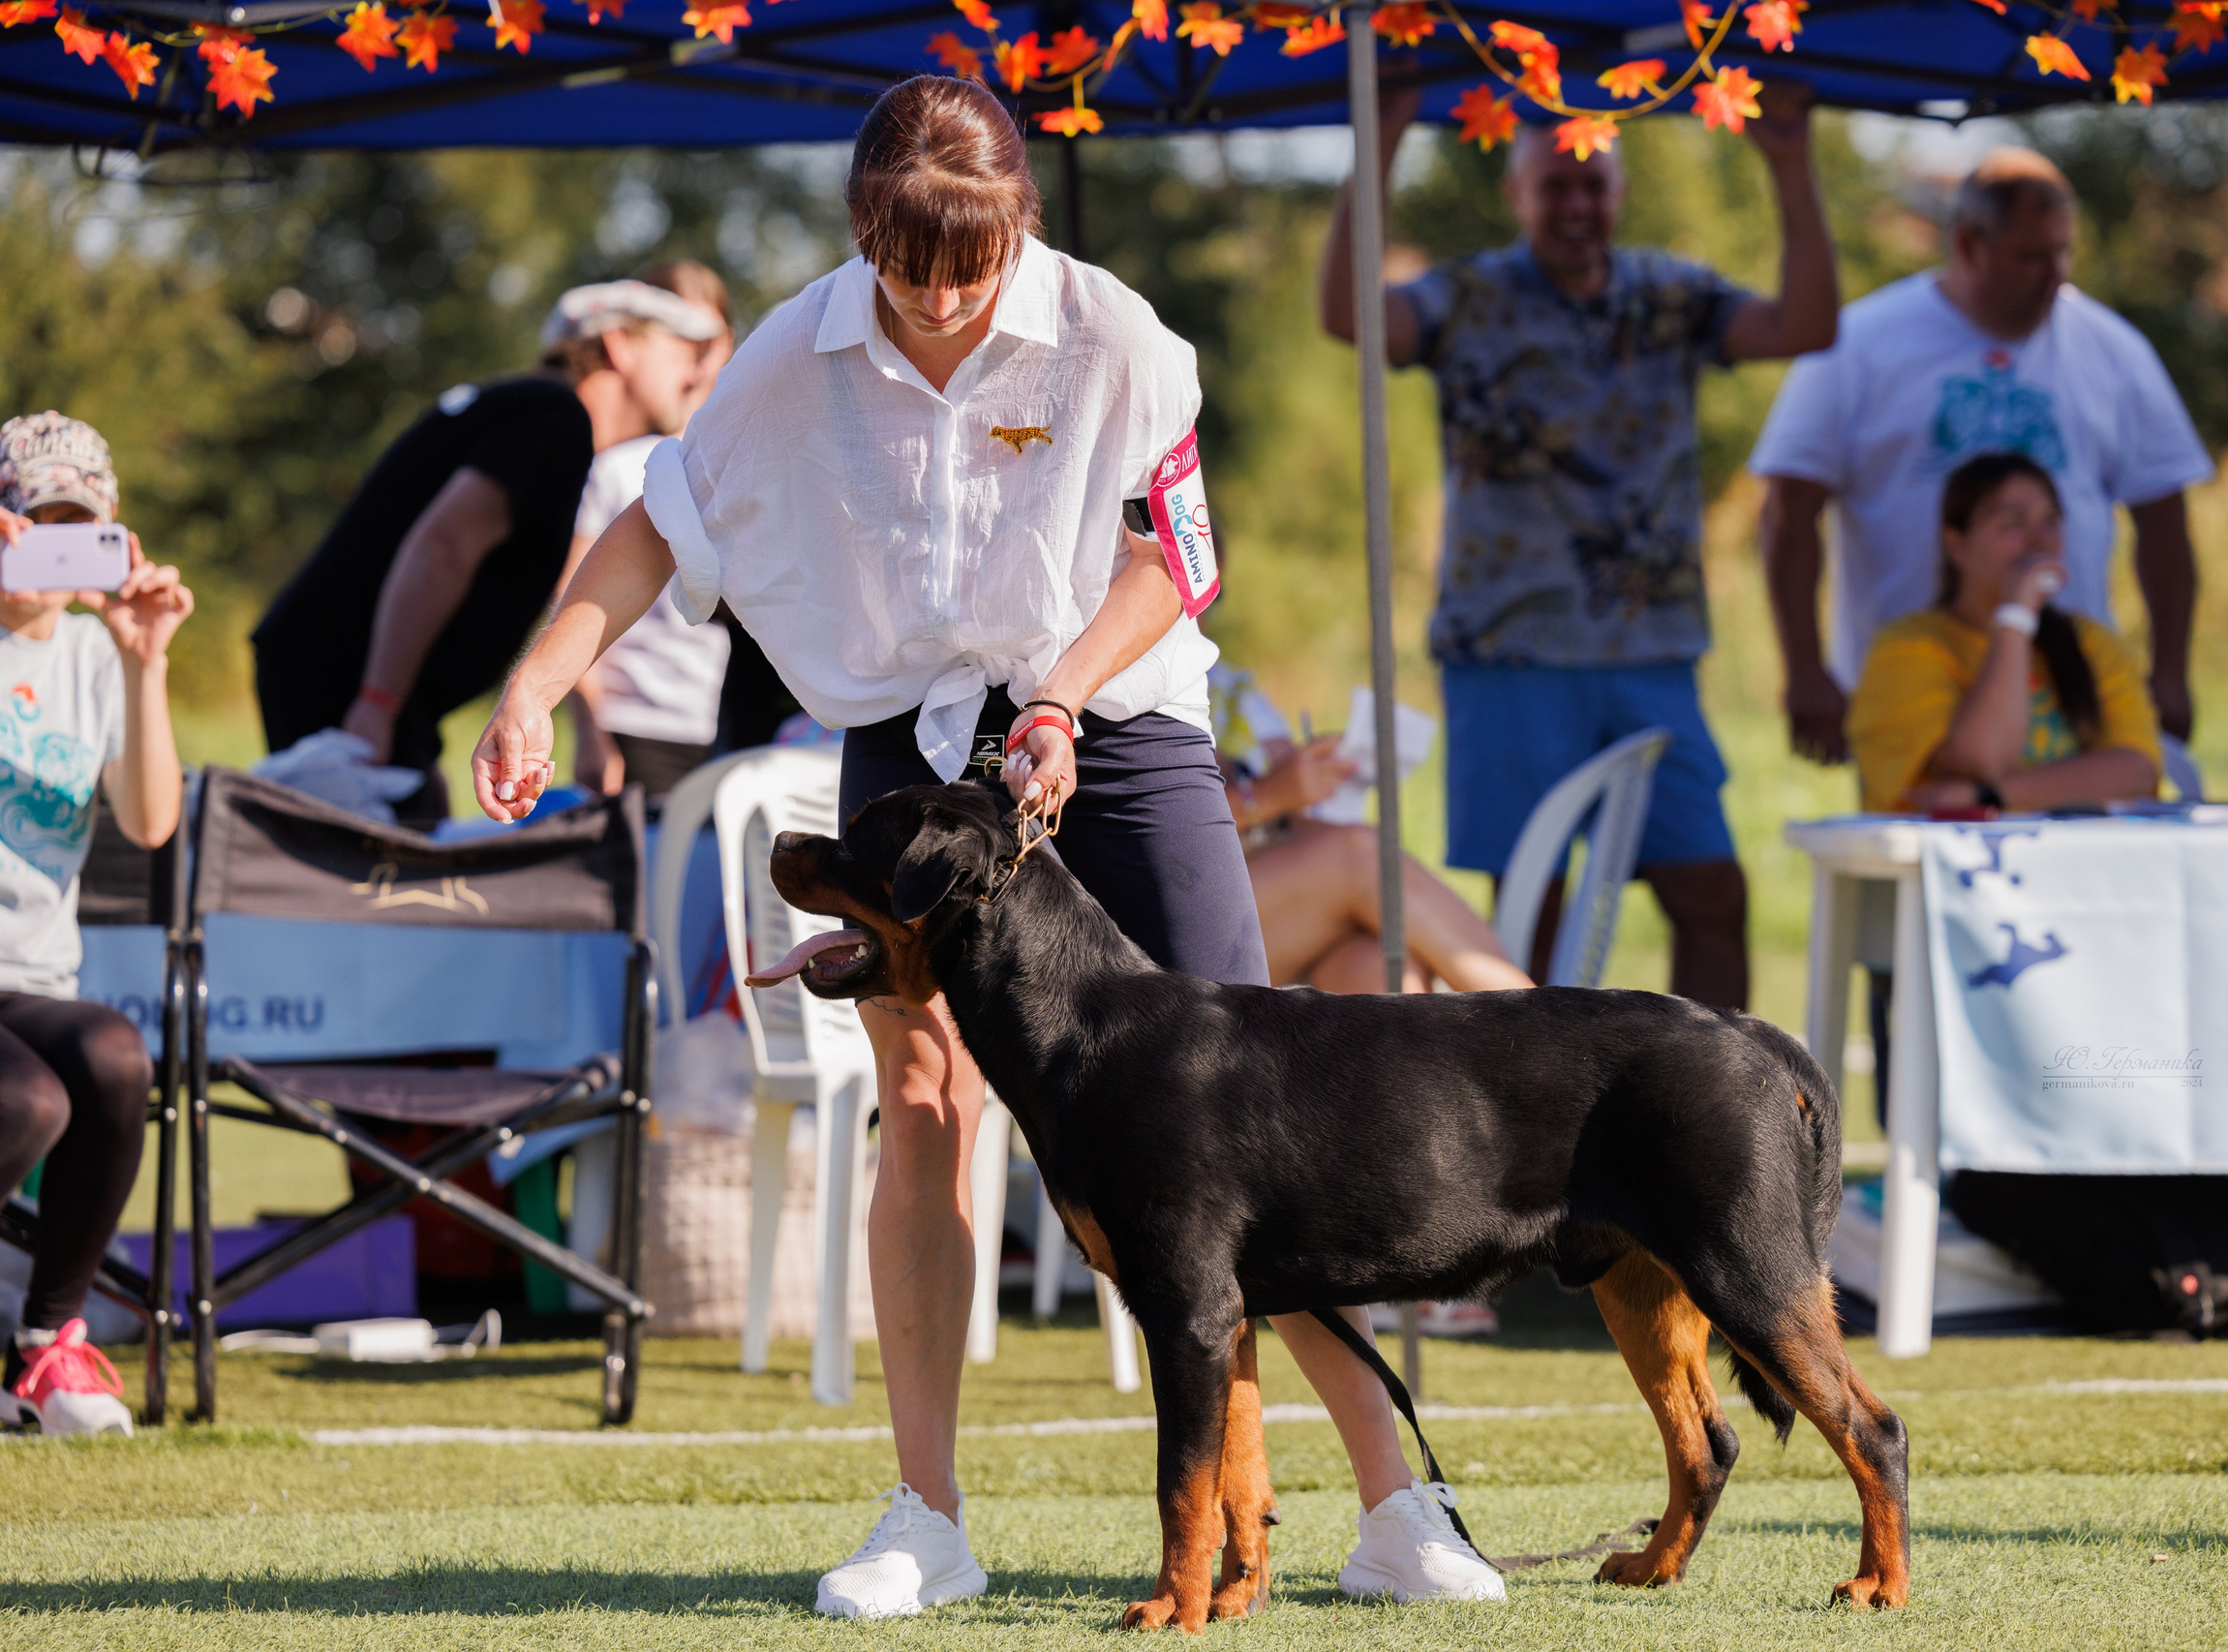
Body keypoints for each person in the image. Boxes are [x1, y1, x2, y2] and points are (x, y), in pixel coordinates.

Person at [471, 76, 1503, 1616]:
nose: (947, 300)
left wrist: (1067, 698)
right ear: (862, 238)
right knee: (923, 1088)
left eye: (977, 266)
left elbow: (1176, 562)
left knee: (1254, 1101)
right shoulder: (789, 355)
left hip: (1120, 715)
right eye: (911, 270)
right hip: (909, 730)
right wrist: (531, 689)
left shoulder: (1118, 333)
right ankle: (927, 1517)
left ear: (1019, 225)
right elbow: (656, 531)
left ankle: (1391, 1504)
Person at [1320, 86, 1839, 1011]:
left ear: (1620, 190)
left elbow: (1807, 327)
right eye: (1553, 184)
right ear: (1517, 194)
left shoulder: (1669, 295)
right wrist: (1380, 143)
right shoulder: (1471, 295)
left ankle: (1715, 1114)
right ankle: (1531, 1132)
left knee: (1712, 893)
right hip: (1511, 652)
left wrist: (1792, 165)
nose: (1575, 204)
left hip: (1651, 654)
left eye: (1591, 185)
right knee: (1530, 913)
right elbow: (1353, 320)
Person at [1753, 147, 2213, 772]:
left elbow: (2164, 518)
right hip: (1917, 678)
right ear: (1968, 244)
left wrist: (2170, 671)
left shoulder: (2113, 350)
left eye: (2063, 252)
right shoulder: (1858, 343)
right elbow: (1789, 511)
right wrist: (1805, 670)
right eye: (2030, 256)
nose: (2053, 273)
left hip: (2066, 677)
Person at [251, 279, 721, 822]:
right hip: (349, 692)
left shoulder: (524, 409)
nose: (694, 375)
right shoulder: (554, 416)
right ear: (620, 346)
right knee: (368, 892)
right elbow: (444, 545)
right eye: (683, 353)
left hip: (347, 681)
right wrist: (379, 706)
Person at [0, 413, 195, 1436]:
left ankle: (45, 1347)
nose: (50, 547)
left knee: (115, 1056)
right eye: (36, 519)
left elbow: (151, 820)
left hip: (30, 976)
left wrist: (145, 661)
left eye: (78, 526)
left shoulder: (93, 651)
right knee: (24, 1100)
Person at [1847, 452, 2161, 815]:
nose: (2039, 540)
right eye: (2013, 524)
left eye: (2050, 521)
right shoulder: (1906, 650)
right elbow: (1981, 760)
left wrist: (1990, 796)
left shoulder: (2092, 643)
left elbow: (2135, 770)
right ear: (1957, 545)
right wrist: (2015, 619)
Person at [1211, 666, 1531, 996]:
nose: (1199, 614)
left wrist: (1302, 785)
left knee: (1381, 967)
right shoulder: (1164, 673)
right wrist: (1266, 794)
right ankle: (1542, 1026)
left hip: (1270, 894)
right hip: (1186, 908)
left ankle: (1530, 1034)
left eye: (1208, 609)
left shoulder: (1227, 682)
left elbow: (1283, 806)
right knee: (1357, 854)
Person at [564, 260, 739, 805]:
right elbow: (569, 595)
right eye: (686, 342)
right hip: (636, 724)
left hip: (715, 722)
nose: (699, 362)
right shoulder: (619, 467)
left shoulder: (739, 466)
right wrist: (590, 730)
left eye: (710, 341)